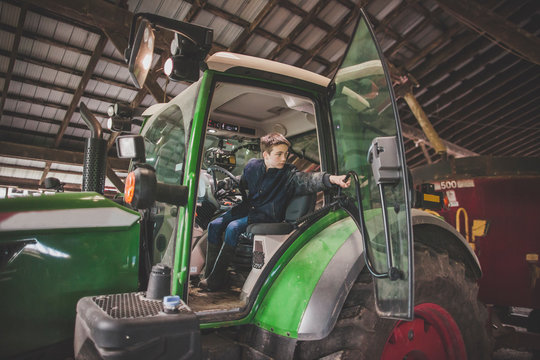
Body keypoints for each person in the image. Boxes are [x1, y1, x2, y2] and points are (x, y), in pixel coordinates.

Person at [199, 132, 350, 291]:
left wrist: (332, 179)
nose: (284, 159)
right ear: (266, 155)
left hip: (265, 215)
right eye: (279, 154)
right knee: (214, 225)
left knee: (233, 228)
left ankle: (216, 280)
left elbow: (310, 180)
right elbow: (243, 180)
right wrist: (227, 183)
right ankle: (208, 275)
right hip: (247, 208)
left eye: (285, 154)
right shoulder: (252, 166)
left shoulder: (288, 175)